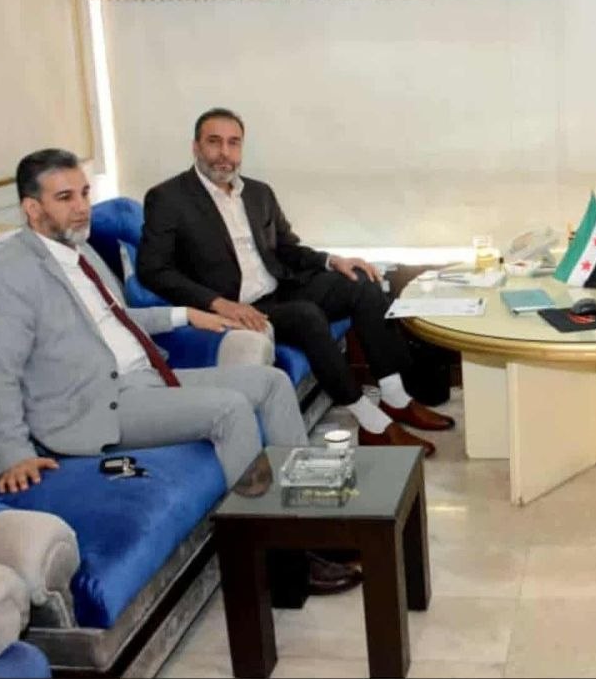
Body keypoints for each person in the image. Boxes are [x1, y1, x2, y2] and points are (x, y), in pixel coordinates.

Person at [0, 148, 361, 596]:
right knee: (231, 409)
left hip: (146, 380)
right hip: (94, 405)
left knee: (272, 382)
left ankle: (314, 524)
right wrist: (12, 453)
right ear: (32, 207)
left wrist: (186, 315)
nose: (81, 207)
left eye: (84, 193)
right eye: (65, 197)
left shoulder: (79, 251)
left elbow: (117, 319)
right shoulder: (11, 273)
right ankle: (278, 567)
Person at [137, 108, 454, 457]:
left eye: (233, 143)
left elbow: (287, 249)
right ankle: (372, 422)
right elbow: (153, 270)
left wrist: (332, 261)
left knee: (362, 281)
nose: (224, 153)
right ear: (196, 147)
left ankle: (395, 398)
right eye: (214, 142)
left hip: (279, 289)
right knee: (306, 316)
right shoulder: (168, 198)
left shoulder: (258, 193)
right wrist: (217, 303)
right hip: (234, 306)